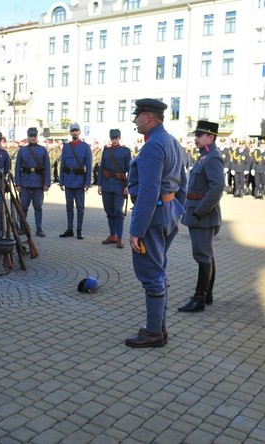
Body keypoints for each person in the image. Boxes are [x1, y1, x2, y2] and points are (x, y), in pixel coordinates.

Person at [124, 98, 186, 348]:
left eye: (137, 116)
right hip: (168, 213)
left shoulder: (152, 146)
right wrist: (177, 211)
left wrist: (136, 230)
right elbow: (183, 181)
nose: (135, 121)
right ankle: (158, 327)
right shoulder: (172, 141)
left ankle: (153, 333)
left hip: (153, 217)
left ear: (148, 117)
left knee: (151, 274)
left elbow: (148, 191)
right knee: (159, 271)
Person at [178, 120, 224, 313]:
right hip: (198, 212)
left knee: (202, 255)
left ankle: (199, 299)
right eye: (195, 135)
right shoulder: (204, 156)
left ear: (210, 137)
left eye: (199, 135)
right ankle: (207, 294)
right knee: (207, 255)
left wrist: (200, 211)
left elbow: (217, 187)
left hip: (202, 215)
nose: (195, 138)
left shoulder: (212, 157)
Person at [14, 127, 51, 237]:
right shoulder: (22, 150)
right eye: (31, 136)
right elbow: (17, 168)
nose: (33, 138)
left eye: (34, 136)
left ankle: (39, 229)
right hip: (25, 183)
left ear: (37, 137)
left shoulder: (43, 150)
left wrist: (46, 183)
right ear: (28, 137)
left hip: (38, 183)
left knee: (38, 207)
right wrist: (18, 183)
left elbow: (47, 168)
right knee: (23, 207)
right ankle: (22, 227)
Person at [98, 129, 131, 249]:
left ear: (119, 138)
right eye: (113, 138)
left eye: (116, 138)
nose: (115, 140)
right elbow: (102, 168)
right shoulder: (106, 151)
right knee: (109, 211)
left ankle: (120, 237)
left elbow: (130, 169)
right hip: (106, 184)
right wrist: (99, 184)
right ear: (110, 139)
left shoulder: (126, 151)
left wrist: (128, 186)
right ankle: (112, 235)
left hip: (119, 185)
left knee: (118, 211)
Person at [59, 122, 92, 239]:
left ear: (79, 132)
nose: (74, 132)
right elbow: (62, 164)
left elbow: (89, 166)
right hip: (68, 180)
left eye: (76, 130)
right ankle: (69, 229)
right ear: (70, 132)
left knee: (80, 208)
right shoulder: (66, 147)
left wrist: (88, 183)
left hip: (79, 181)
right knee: (69, 207)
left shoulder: (85, 147)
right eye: (72, 130)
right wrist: (61, 181)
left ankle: (79, 230)